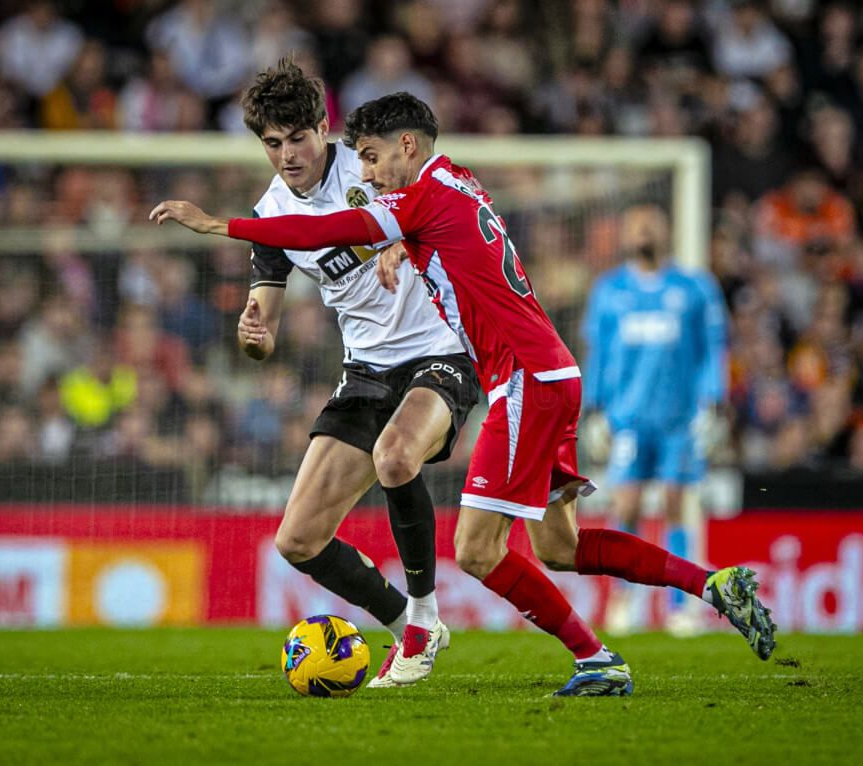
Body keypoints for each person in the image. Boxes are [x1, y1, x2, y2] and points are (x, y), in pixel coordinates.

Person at [151, 92, 775, 696]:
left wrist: (217, 224)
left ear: (403, 145)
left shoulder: (416, 196)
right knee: (561, 547)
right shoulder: (457, 180)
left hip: (517, 377)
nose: (366, 171)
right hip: (541, 374)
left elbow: (343, 225)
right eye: (360, 160)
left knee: (475, 548)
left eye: (371, 158)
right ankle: (714, 585)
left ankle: (587, 655)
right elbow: (386, 233)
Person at [167, 61, 482, 688]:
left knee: (397, 459)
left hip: (440, 347)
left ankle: (422, 619)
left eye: (298, 138)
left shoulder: (369, 167)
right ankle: (407, 621)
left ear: (322, 128)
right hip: (365, 369)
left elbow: (425, 209)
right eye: (272, 143)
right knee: (298, 541)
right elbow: (265, 324)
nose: (288, 155)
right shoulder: (272, 217)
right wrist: (252, 335)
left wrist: (401, 240)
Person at [582, 204, 729, 636]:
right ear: (626, 234)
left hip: (678, 419)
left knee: (676, 504)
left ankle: (681, 605)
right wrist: (593, 409)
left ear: (666, 231)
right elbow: (599, 354)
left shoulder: (695, 288)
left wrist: (713, 403)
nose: (644, 229)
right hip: (627, 418)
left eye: (652, 222)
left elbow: (711, 350)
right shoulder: (609, 290)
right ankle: (623, 601)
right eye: (637, 223)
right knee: (624, 503)